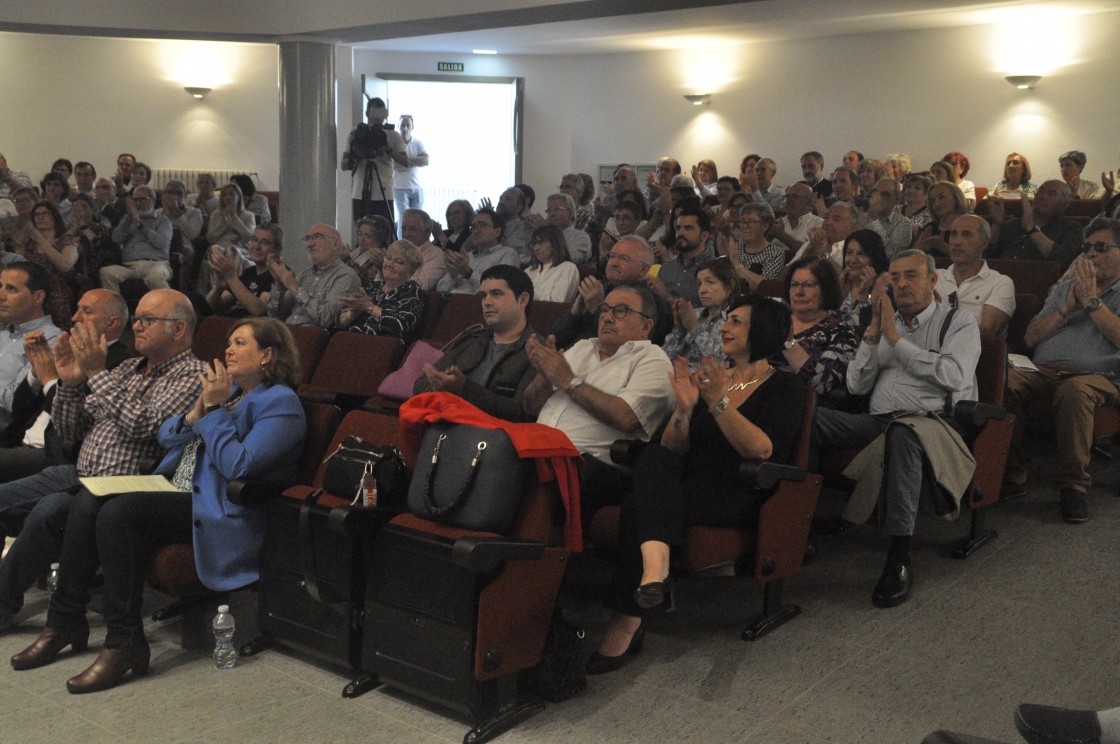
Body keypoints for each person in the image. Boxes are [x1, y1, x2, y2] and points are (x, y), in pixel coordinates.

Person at [10, 317, 306, 693]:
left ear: (267, 355)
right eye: (229, 342)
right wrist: (197, 413)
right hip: (173, 488)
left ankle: (124, 641)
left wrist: (214, 414)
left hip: (214, 508)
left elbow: (240, 466)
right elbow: (167, 436)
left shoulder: (281, 402)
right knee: (87, 500)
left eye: (241, 343)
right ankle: (64, 620)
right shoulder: (229, 395)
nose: (228, 349)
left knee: (120, 512)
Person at [586, 296, 802, 673]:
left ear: (761, 330)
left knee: (640, 502)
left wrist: (718, 402)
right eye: (726, 320)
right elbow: (675, 447)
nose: (723, 327)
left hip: (737, 489)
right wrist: (684, 409)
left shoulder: (784, 386)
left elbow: (763, 450)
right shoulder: (714, 376)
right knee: (654, 456)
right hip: (686, 482)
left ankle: (628, 619)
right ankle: (654, 572)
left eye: (735, 321)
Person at [0, 289, 203, 633]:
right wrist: (70, 385)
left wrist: (96, 374)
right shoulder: (125, 368)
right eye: (136, 318)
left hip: (124, 485)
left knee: (48, 510)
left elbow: (146, 427)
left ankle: (16, 609)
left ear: (179, 329)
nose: (136, 326)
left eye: (147, 320)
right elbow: (68, 432)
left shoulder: (192, 376)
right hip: (79, 472)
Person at [815, 250, 980, 608]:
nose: (902, 284)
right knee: (808, 418)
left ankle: (899, 554)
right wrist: (875, 334)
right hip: (878, 421)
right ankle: (796, 521)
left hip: (932, 425)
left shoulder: (958, 323)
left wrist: (895, 338)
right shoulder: (887, 323)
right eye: (895, 277)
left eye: (911, 276)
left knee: (903, 434)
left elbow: (954, 377)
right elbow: (857, 386)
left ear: (933, 280)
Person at [524, 284, 675, 525]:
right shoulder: (583, 347)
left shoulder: (654, 361)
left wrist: (568, 381)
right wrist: (545, 376)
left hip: (590, 465)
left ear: (647, 326)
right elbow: (530, 406)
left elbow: (626, 416)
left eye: (621, 310)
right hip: (537, 446)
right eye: (604, 309)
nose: (607, 316)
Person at [1002, 218, 1120, 523]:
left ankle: (1074, 486)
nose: (1091, 254)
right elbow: (1030, 337)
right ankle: (1012, 474)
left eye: (1101, 247)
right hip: (1043, 369)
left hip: (1099, 378)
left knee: (1074, 390)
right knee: (1002, 379)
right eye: (1087, 248)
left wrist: (1092, 302)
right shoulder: (1065, 289)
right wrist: (1067, 309)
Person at [0, 290, 131, 490]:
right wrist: (36, 373)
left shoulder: (120, 363)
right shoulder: (69, 349)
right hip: (19, 435)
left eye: (86, 311)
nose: (74, 317)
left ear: (112, 323)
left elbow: (78, 421)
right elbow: (18, 410)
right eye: (77, 309)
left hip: (54, 454)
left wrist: (50, 381)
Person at [416, 265, 538, 422]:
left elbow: (521, 413)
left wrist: (462, 388)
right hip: (445, 427)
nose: (486, 302)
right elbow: (420, 385)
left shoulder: (537, 353)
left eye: (496, 294)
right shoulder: (470, 339)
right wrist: (437, 387)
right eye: (483, 295)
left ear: (522, 300)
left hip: (493, 439)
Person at [776, 257, 858, 396]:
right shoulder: (772, 320)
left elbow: (821, 382)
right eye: (794, 284)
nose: (799, 292)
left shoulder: (841, 332)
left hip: (799, 404)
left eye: (808, 285)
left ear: (826, 290)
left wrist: (788, 343)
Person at [0, 263, 63, 427]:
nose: (1, 295)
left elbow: (15, 401)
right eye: (0, 286)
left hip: (9, 427)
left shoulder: (51, 339)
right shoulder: (3, 335)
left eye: (11, 289)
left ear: (38, 297)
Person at [266, 223, 362, 328]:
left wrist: (296, 288)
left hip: (313, 337)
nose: (310, 244)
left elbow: (326, 319)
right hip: (287, 331)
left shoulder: (346, 276)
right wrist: (279, 283)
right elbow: (275, 315)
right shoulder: (304, 275)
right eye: (307, 238)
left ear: (335, 244)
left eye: (317, 237)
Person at [935, 215, 1016, 337]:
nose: (957, 242)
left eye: (966, 234)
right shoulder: (933, 277)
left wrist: (936, 321)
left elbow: (986, 333)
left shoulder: (1000, 283)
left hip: (976, 353)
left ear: (984, 243)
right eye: (953, 234)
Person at [987, 179, 1084, 271]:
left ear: (1064, 204)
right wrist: (997, 224)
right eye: (1040, 191)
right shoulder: (1013, 224)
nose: (1043, 196)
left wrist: (1032, 229)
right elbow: (987, 254)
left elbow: (1065, 260)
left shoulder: (1071, 228)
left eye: (1051, 194)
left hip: (1040, 283)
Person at [340, 239, 425, 341]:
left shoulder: (411, 289)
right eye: (388, 258)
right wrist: (351, 315)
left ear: (411, 270)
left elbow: (401, 325)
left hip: (381, 348)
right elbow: (341, 323)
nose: (389, 264)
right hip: (351, 341)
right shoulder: (373, 287)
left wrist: (369, 307)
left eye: (398, 262)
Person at [342, 97, 408, 226]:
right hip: (360, 192)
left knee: (385, 232)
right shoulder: (356, 134)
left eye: (381, 113)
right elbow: (344, 165)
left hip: (383, 193)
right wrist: (358, 152)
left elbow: (405, 162)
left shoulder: (393, 135)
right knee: (362, 231)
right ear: (367, 113)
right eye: (375, 113)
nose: (378, 118)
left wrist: (388, 149)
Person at [661, 256, 738, 367]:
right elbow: (666, 356)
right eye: (699, 284)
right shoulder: (694, 314)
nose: (702, 290)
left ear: (730, 286)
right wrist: (680, 330)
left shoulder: (736, 320)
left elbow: (718, 362)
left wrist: (694, 329)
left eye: (710, 282)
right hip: (678, 377)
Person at [101, 185, 174, 292]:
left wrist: (139, 224)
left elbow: (161, 243)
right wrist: (129, 220)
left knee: (154, 277)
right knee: (106, 272)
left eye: (142, 199)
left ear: (152, 201)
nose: (138, 204)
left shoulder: (163, 221)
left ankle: (168, 307)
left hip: (156, 264)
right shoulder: (127, 219)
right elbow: (116, 239)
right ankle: (117, 307)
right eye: (135, 200)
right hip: (131, 266)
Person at [21, 201, 80, 326]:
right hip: (33, 291)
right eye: (36, 215)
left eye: (44, 213)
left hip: (58, 292)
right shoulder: (30, 243)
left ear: (54, 216)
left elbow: (65, 266)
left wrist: (41, 241)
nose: (40, 217)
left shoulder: (67, 241)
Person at [436, 207, 519, 295]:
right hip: (453, 303)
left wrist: (469, 273)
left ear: (497, 232)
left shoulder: (508, 254)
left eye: (482, 225)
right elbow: (440, 291)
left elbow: (499, 288)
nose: (475, 231)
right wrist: (452, 275)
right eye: (473, 227)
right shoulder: (467, 256)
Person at [205, 224, 283, 318]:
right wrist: (218, 287)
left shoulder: (280, 275)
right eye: (254, 240)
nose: (257, 246)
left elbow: (259, 311)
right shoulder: (249, 272)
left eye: (264, 243)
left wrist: (231, 277)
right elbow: (208, 307)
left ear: (278, 249)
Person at [657, 207, 714, 306]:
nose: (681, 233)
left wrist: (668, 297)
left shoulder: (714, 270)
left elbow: (709, 313)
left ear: (704, 236)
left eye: (688, 228)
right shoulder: (666, 268)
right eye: (678, 228)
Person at [726, 202, 785, 289]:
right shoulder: (736, 248)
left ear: (764, 226)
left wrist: (737, 265)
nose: (745, 226)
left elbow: (764, 286)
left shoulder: (775, 253)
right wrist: (723, 252)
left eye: (751, 222)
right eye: (742, 221)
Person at [838, 229, 891, 326]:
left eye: (861, 254)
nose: (853, 260)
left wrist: (864, 298)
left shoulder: (884, 288)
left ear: (874, 258)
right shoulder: (842, 283)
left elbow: (872, 331)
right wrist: (839, 298)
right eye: (849, 252)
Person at [67, 193, 118, 287]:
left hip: (94, 269)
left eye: (83, 206)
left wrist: (82, 225)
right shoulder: (67, 229)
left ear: (92, 210)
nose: (79, 210)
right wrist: (74, 228)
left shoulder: (101, 228)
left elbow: (96, 244)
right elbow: (61, 245)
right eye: (75, 206)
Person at [524, 223, 579, 303]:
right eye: (534, 243)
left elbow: (556, 303)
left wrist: (525, 292)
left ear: (555, 243)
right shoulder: (528, 271)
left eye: (540, 242)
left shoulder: (568, 268)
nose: (536, 248)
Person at [392, 114, 429, 223]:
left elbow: (426, 160)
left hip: (417, 187)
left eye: (408, 125)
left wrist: (404, 161)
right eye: (402, 125)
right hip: (400, 188)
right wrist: (416, 161)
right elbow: (393, 164)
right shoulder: (394, 144)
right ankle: (402, 240)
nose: (405, 128)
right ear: (398, 126)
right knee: (404, 219)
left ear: (412, 127)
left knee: (418, 220)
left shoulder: (418, 143)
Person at [865, 177, 914, 259]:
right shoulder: (861, 218)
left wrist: (874, 221)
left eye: (885, 195)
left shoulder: (903, 223)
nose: (878, 199)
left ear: (897, 200)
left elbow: (891, 256)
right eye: (875, 193)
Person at [916, 181, 968, 249]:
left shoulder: (969, 225)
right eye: (933, 201)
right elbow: (912, 255)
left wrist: (941, 245)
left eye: (941, 197)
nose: (937, 203)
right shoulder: (930, 227)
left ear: (956, 198)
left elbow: (972, 256)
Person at [345, 215, 392, 284]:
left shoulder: (378, 257)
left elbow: (364, 280)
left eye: (367, 236)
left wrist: (346, 259)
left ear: (379, 239)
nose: (361, 239)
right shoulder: (354, 251)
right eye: (360, 234)